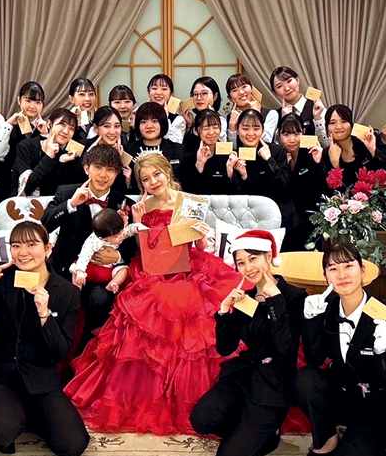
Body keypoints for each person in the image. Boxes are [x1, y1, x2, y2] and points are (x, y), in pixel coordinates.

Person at [65, 153, 241, 435]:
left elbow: (200, 246)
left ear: (166, 172)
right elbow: (143, 248)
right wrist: (137, 222)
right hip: (153, 269)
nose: (153, 182)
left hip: (189, 266)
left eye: (156, 175)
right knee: (149, 306)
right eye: (145, 179)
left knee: (194, 309)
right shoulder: (140, 206)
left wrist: (201, 235)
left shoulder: (188, 202)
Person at [191, 230, 305, 456]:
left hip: (272, 387)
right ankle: (247, 431)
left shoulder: (295, 297)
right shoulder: (247, 297)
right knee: (201, 419)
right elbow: (225, 348)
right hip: (243, 377)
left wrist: (275, 300)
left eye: (253, 259)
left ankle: (268, 435)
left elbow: (285, 347)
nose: (248, 267)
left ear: (269, 257)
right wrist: (224, 312)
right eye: (241, 262)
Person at [0, 221, 89, 456]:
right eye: (16, 246)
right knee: (2, 432)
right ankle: (10, 414)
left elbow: (61, 351)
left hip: (40, 377)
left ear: (48, 248)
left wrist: (45, 315)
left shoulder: (67, 292)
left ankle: (30, 415)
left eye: (31, 244)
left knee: (73, 445)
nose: (23, 252)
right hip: (1, 375)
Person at [293, 241, 386, 456]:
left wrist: (382, 350)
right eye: (333, 269)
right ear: (326, 276)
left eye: (348, 266)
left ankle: (378, 448)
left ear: (362, 271)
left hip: (375, 405)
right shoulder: (327, 309)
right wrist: (310, 320)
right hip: (344, 395)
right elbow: (315, 359)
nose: (341, 275)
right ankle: (328, 439)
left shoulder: (385, 318)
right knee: (306, 379)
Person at [42, 144, 135, 350]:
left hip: (103, 276)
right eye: (98, 167)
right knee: (58, 298)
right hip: (67, 269)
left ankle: (89, 353)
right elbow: (45, 224)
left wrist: (117, 258)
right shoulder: (66, 192)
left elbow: (132, 247)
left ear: (117, 173)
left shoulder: (123, 202)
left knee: (100, 299)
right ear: (87, 168)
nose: (103, 175)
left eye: (110, 169)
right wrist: (71, 204)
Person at [227, 109, 297, 232]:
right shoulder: (235, 156)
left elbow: (284, 187)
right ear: (237, 130)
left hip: (282, 219)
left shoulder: (276, 151)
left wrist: (269, 160)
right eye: (245, 128)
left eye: (256, 128)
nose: (251, 133)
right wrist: (242, 176)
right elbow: (238, 200)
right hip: (250, 222)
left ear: (263, 130)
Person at [277, 112, 329, 251]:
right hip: (287, 221)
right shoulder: (278, 157)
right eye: (286, 134)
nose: (292, 139)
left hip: (311, 219)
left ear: (304, 132)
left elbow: (323, 187)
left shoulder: (311, 154)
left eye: (296, 134)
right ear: (279, 135)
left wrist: (318, 163)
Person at [0, 81, 47, 198]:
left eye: (38, 102)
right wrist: (8, 125)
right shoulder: (7, 126)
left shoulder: (46, 129)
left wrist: (45, 133)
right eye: (28, 101)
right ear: (19, 100)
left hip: (38, 188)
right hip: (9, 186)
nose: (32, 106)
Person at [13, 108, 85, 196]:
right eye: (62, 124)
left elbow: (58, 192)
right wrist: (48, 156)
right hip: (24, 202)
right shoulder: (27, 146)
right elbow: (28, 187)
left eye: (71, 128)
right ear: (49, 124)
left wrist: (61, 163)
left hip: (51, 203)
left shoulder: (68, 155)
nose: (66, 131)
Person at [321, 104, 386, 188]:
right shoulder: (325, 155)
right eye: (332, 123)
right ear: (326, 127)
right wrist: (336, 165)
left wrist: (373, 151)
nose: (338, 127)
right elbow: (331, 190)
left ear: (352, 125)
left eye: (344, 121)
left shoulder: (367, 140)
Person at [70, 209, 138, 291]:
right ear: (103, 238)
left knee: (124, 270)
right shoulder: (93, 240)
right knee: (75, 267)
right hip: (90, 269)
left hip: (107, 271)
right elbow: (84, 254)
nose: (121, 236)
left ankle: (113, 284)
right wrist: (80, 271)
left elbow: (130, 229)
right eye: (116, 237)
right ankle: (76, 289)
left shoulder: (118, 231)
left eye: (121, 232)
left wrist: (139, 227)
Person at [177, 109, 235, 195]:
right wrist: (199, 164)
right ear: (196, 131)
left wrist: (230, 172)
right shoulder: (187, 157)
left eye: (215, 127)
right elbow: (187, 192)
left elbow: (235, 192)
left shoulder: (228, 156)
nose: (211, 132)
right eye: (206, 128)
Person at [80, 106, 132, 192]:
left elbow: (120, 189)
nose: (112, 132)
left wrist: (119, 160)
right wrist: (88, 155)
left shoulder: (126, 150)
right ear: (96, 128)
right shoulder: (83, 147)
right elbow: (75, 179)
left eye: (117, 126)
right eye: (107, 126)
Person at [124, 102, 185, 176]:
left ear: (163, 123)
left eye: (154, 121)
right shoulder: (128, 151)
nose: (149, 126)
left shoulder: (178, 150)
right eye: (143, 122)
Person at [263, 66, 321, 141]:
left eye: (289, 81)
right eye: (279, 86)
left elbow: (326, 143)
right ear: (275, 93)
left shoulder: (316, 107)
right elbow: (275, 146)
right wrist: (283, 121)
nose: (287, 88)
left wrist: (318, 119)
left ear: (297, 80)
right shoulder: (275, 116)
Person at [170, 76, 228, 149]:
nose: (199, 98)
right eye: (196, 94)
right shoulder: (191, 120)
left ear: (215, 96)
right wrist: (189, 125)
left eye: (204, 93)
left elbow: (221, 148)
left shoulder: (220, 121)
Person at [225, 73, 265, 145]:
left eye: (244, 87)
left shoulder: (270, 114)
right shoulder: (228, 119)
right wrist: (232, 126)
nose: (241, 92)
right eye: (234, 90)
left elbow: (267, 141)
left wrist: (256, 115)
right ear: (230, 98)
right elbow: (231, 147)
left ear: (252, 89)